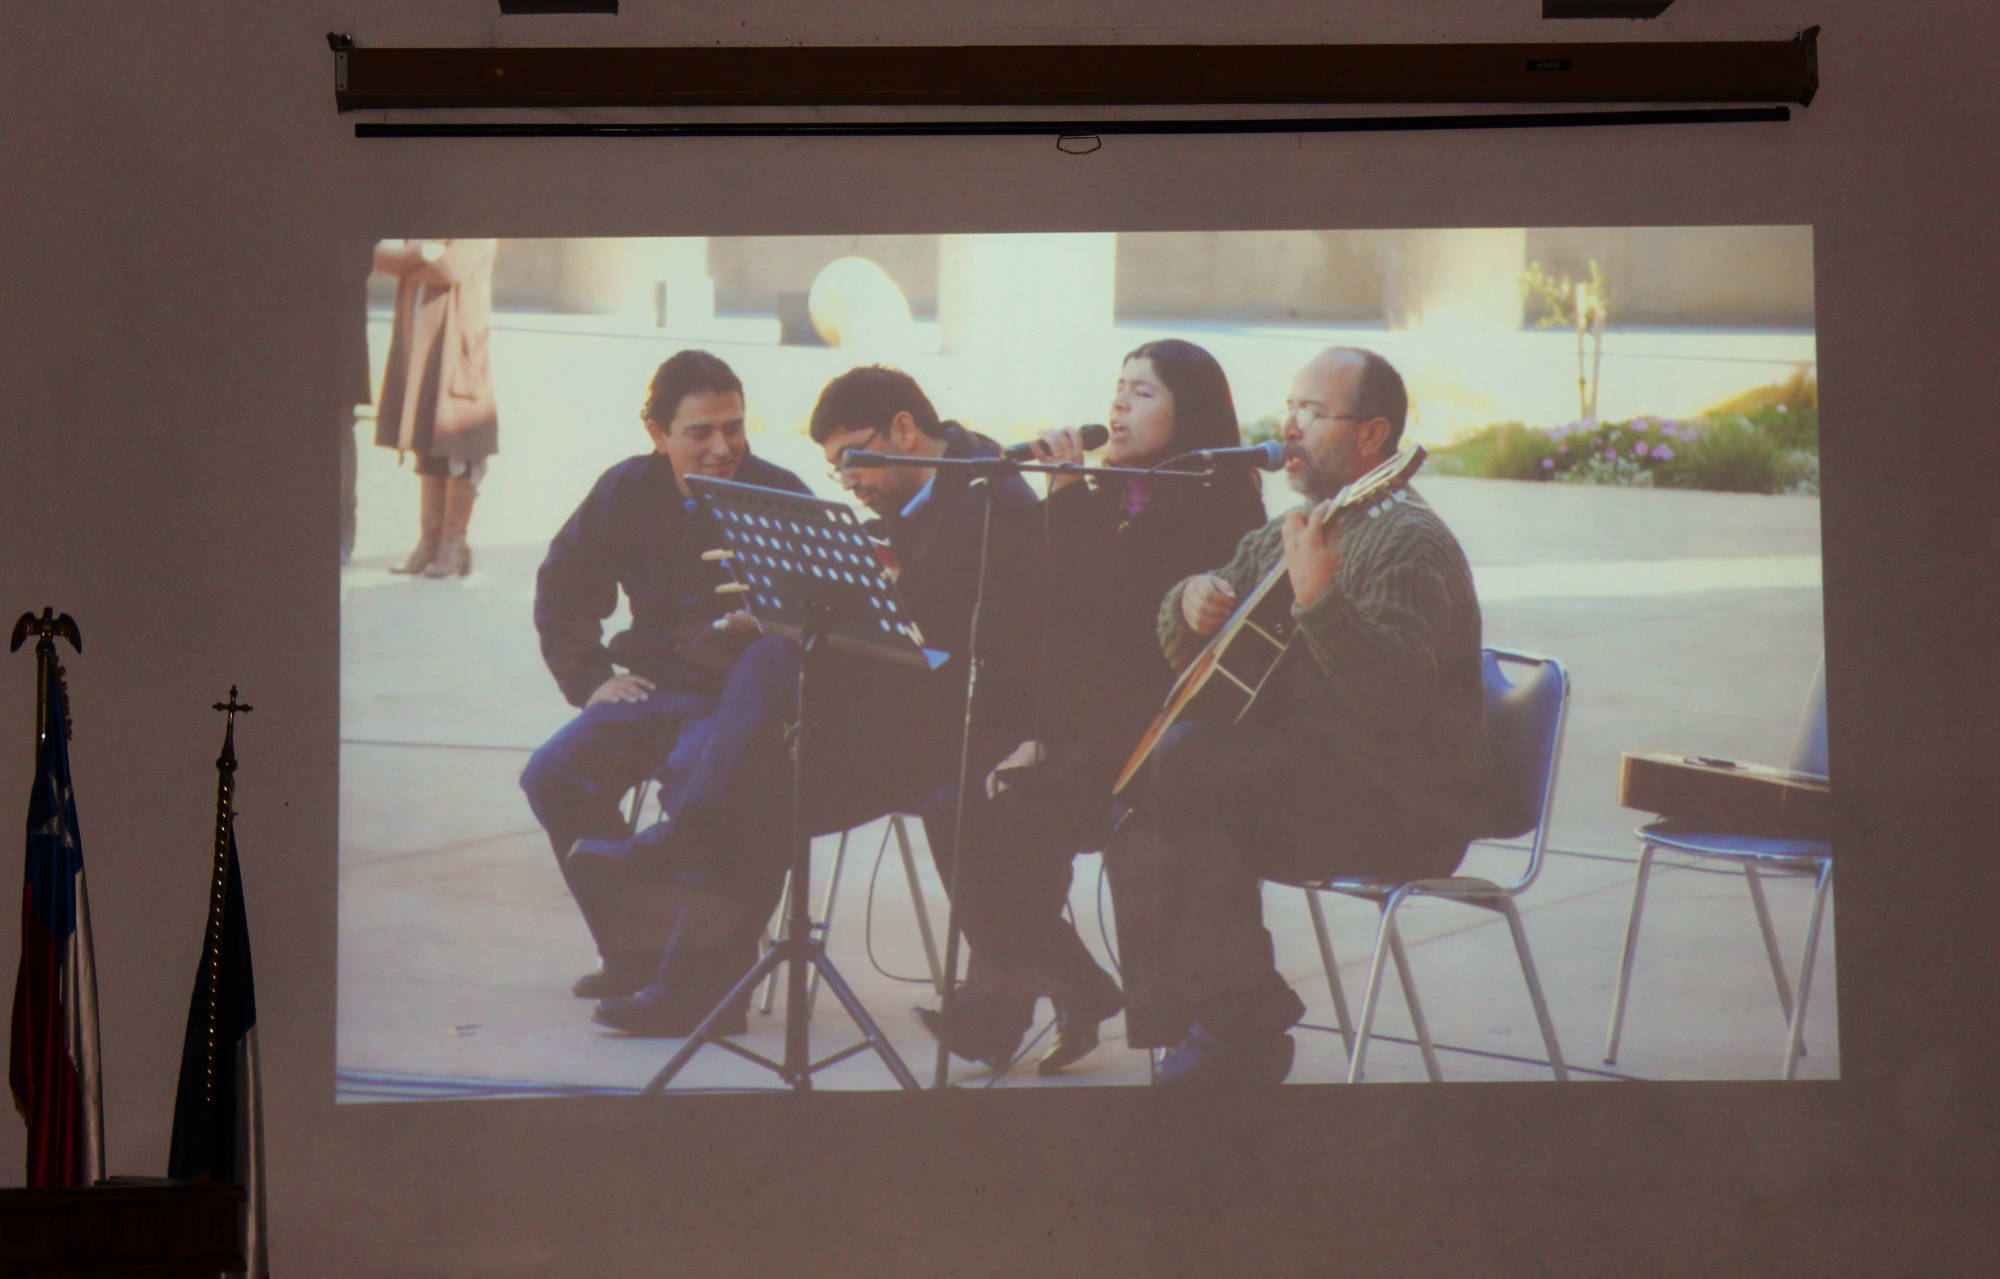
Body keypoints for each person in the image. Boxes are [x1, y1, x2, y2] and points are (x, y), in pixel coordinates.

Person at [567, 365, 1042, 1037]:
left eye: (853, 460)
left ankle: (685, 896)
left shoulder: (990, 494)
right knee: (763, 727)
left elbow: (978, 652)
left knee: (757, 767)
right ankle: (693, 974)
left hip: (954, 728)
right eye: (835, 468)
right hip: (892, 710)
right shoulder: (915, 492)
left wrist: (867, 614)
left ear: (904, 430)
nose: (847, 482)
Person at [1105, 347, 1489, 1086]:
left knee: (1184, 764)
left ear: (1372, 435)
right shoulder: (1304, 523)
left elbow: (1395, 702)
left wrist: (1320, 601)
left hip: (1405, 802)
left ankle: (1234, 1024)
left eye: (1312, 412)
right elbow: (1193, 624)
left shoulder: (1409, 541)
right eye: (1290, 407)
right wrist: (1189, 600)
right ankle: (1214, 1023)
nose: (1289, 426)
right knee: (1139, 812)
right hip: (1319, 777)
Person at [913, 339, 1267, 1075]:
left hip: (1153, 744)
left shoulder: (1220, 507)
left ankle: (1007, 1006)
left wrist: (1069, 497)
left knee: (1015, 819)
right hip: (1083, 738)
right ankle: (1069, 984)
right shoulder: (1107, 494)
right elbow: (1049, 627)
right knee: (953, 804)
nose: (1118, 404)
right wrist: (1037, 733)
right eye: (1118, 386)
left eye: (1143, 391)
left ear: (1190, 413)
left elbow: (1125, 620)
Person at [519, 350, 812, 1003]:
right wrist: (591, 678)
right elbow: (563, 588)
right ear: (657, 433)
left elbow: (826, 616)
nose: (722, 447)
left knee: (702, 786)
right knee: (554, 773)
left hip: (742, 702)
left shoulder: (782, 493)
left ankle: (694, 981)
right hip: (655, 687)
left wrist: (771, 624)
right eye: (700, 432)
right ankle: (633, 951)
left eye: (734, 427)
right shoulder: (625, 488)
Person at [371, 237, 500, 578]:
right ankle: (428, 545)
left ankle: (452, 548)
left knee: (460, 445)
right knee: (426, 441)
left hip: (458, 348)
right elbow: (379, 257)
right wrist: (421, 252)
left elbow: (449, 268)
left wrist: (407, 260)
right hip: (420, 347)